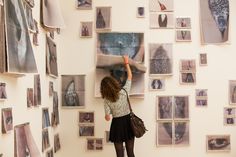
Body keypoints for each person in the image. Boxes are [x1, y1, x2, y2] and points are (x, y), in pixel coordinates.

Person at [100, 55, 135, 157]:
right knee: (130, 152)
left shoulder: (106, 100)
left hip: (117, 125)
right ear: (114, 83)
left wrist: (107, 115)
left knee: (119, 154)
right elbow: (129, 77)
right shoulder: (124, 92)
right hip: (128, 123)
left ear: (104, 89)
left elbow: (107, 118)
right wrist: (126, 62)